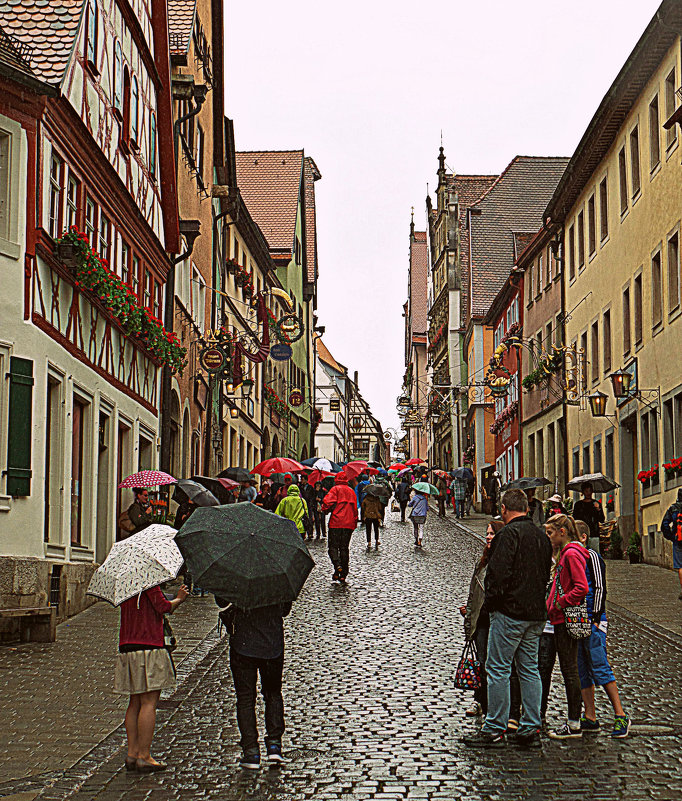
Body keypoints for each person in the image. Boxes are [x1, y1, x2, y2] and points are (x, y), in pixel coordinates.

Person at [463, 488, 552, 749]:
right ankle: (530, 727)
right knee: (529, 669)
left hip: (509, 612)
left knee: (498, 669)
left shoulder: (507, 535)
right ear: (526, 507)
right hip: (535, 614)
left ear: (504, 508)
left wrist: (491, 606)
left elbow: (497, 577)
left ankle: (494, 728)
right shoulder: (541, 536)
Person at [114, 583, 189, 772]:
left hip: (127, 645)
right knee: (149, 702)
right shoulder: (148, 581)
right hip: (148, 644)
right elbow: (163, 607)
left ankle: (132, 753)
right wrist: (179, 598)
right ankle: (144, 756)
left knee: (135, 702)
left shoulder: (126, 585)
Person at [574, 520, 630, 737]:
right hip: (577, 621)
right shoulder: (571, 558)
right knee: (581, 668)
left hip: (593, 619)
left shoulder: (592, 556)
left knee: (599, 665)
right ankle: (590, 716)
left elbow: (599, 586)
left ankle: (620, 714)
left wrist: (596, 616)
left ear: (583, 537)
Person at [220, 598, 292, 769]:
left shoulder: (236, 571)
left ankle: (251, 750)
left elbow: (221, 601)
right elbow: (284, 610)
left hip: (243, 643)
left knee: (245, 699)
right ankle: (274, 745)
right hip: (272, 642)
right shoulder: (278, 574)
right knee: (273, 693)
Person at [544, 514, 589, 740]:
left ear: (562, 532)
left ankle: (574, 723)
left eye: (551, 533)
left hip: (565, 619)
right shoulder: (567, 553)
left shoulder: (571, 554)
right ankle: (574, 721)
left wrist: (559, 604)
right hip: (559, 617)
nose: (548, 538)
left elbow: (581, 588)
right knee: (569, 670)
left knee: (570, 671)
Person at [460, 520, 505, 717]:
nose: (488, 537)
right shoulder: (482, 562)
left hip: (498, 621)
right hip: (481, 622)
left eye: (492, 534)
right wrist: (469, 617)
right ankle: (480, 701)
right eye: (487, 533)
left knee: (494, 666)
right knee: (480, 662)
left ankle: (494, 706)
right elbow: (473, 593)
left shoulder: (504, 562)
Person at [322, 472, 358, 583]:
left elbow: (327, 503)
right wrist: (355, 521)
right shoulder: (351, 491)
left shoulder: (335, 489)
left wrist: (325, 509)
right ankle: (343, 574)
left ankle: (337, 565)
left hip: (336, 523)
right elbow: (355, 509)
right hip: (348, 524)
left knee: (333, 547)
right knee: (344, 548)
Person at [661, 487, 682, 601]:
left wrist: (671, 537)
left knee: (680, 566)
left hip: (679, 540)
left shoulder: (673, 508)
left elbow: (664, 525)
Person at [572, 482, 605, 553]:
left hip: (593, 533)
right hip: (581, 533)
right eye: (586, 491)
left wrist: (598, 509)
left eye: (590, 491)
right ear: (583, 492)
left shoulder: (596, 504)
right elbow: (574, 519)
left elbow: (602, 519)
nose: (588, 493)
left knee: (594, 553)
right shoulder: (578, 505)